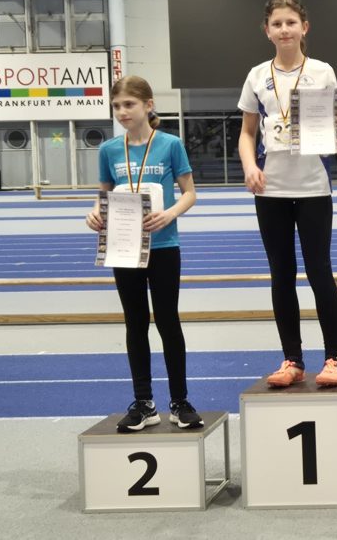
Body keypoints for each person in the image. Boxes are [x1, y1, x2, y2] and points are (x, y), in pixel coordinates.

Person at [237, 0, 337, 388]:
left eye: (291, 22)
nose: (284, 29)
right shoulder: (257, 75)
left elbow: (336, 127)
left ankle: (334, 358)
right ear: (267, 30)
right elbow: (247, 133)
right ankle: (292, 359)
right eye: (277, 23)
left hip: (312, 187)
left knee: (319, 271)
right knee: (281, 274)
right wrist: (250, 167)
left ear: (304, 27)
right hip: (270, 189)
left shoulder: (323, 72)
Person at [85, 75, 201, 433]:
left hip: (163, 246)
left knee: (167, 321)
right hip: (124, 248)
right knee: (135, 323)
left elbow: (190, 193)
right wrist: (95, 213)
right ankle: (143, 402)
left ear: (148, 105)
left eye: (129, 104)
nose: (122, 111)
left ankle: (180, 401)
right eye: (117, 106)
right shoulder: (109, 150)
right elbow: (104, 195)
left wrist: (170, 214)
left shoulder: (170, 144)